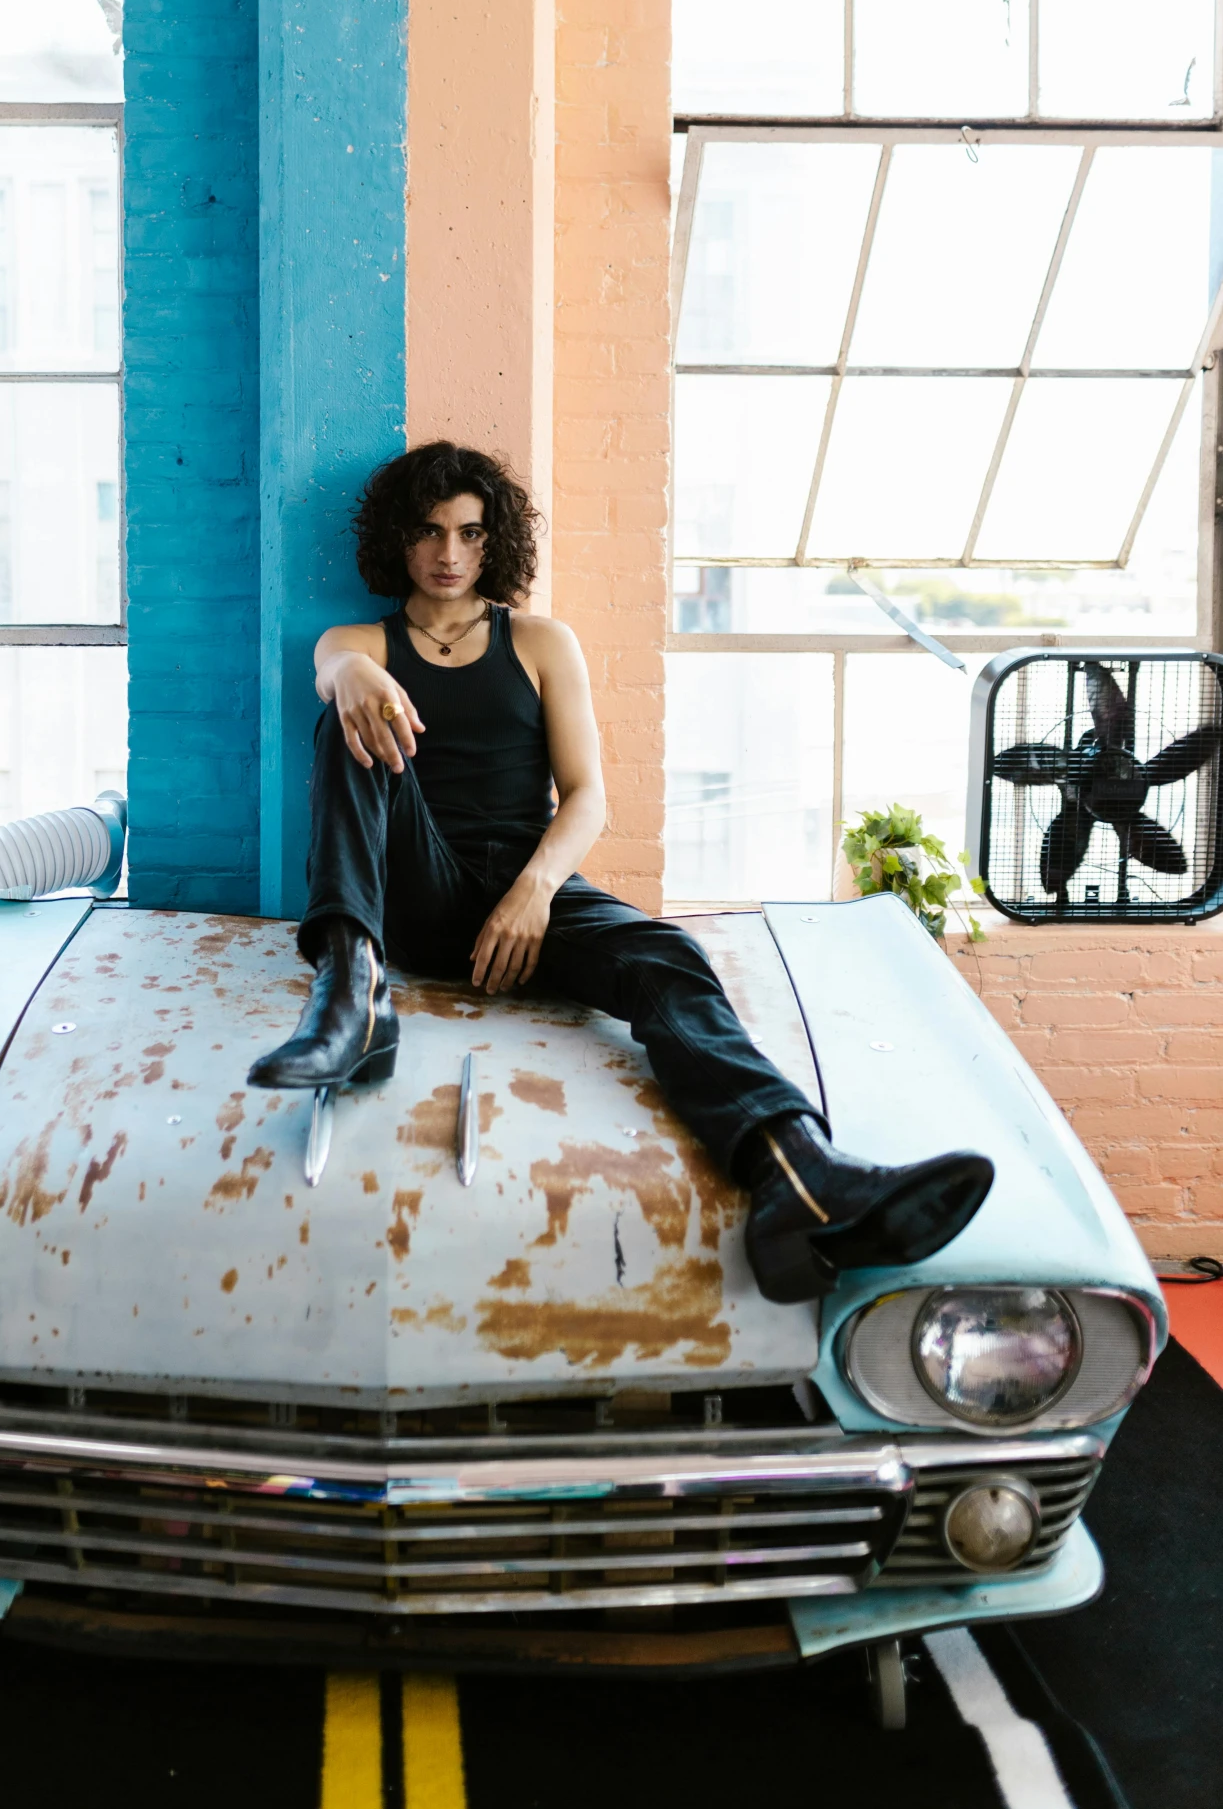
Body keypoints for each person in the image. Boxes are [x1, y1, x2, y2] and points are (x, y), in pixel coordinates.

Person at [250, 441, 993, 1304]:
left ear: (494, 543)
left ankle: (795, 1176)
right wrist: (354, 676)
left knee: (667, 957)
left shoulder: (537, 641)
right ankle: (351, 993)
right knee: (349, 722)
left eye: (468, 532)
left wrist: (533, 893)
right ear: (396, 540)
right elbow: (332, 665)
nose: (448, 555)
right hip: (417, 888)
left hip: (530, 887)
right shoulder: (362, 639)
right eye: (427, 533)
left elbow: (587, 797)